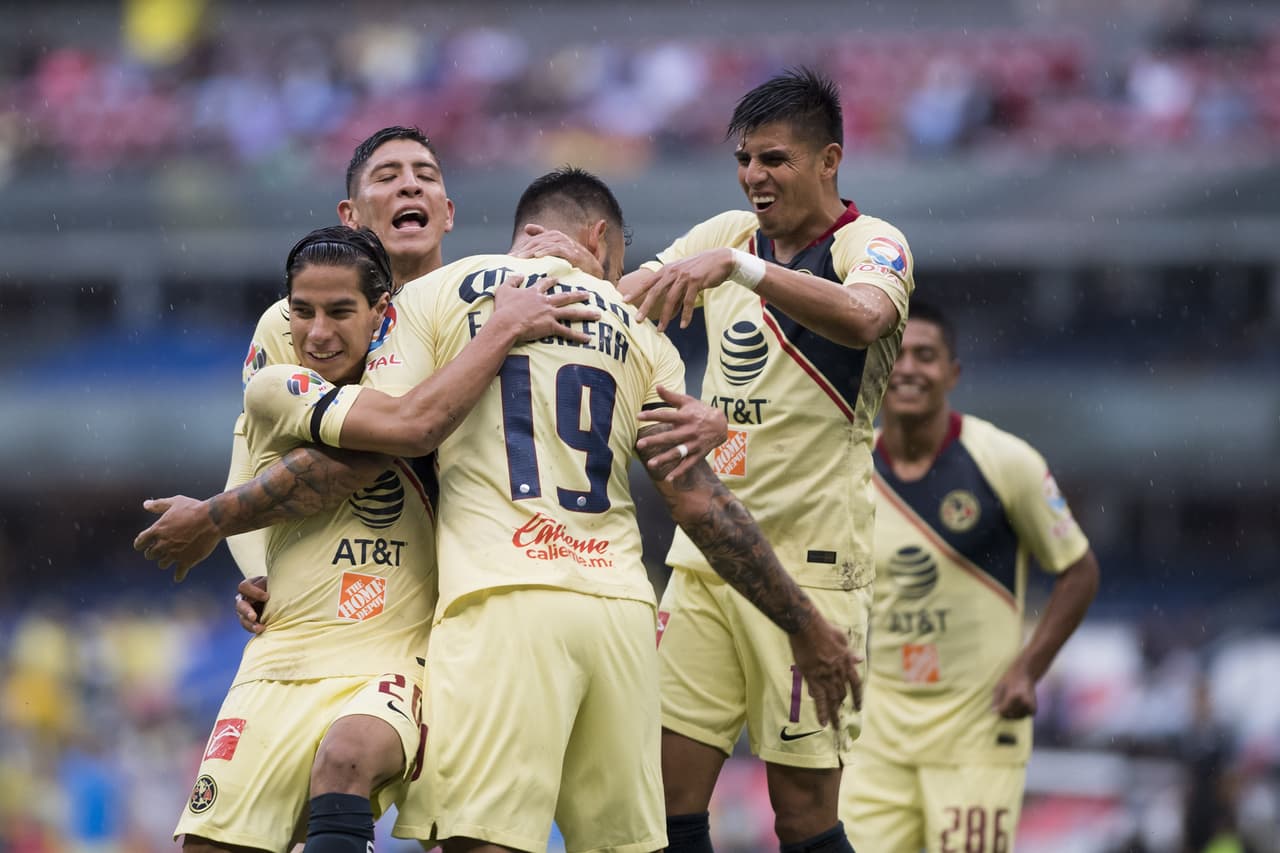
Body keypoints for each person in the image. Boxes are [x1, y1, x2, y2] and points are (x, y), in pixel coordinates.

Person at [138, 167, 861, 853]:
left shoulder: (432, 298)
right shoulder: (639, 332)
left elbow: (382, 440)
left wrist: (214, 517)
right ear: (602, 239)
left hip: (503, 600)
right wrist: (804, 622)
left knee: (480, 838)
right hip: (618, 610)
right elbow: (700, 501)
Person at [163, 225, 597, 853]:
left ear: (381, 313)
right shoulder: (276, 385)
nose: (317, 332)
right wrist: (251, 562)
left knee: (349, 759)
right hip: (283, 655)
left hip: (396, 651)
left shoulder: (440, 356)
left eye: (340, 312)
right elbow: (403, 430)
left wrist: (575, 272)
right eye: (303, 313)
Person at [619, 68, 914, 852]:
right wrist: (544, 283)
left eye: (775, 159)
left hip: (813, 567)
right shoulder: (724, 233)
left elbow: (865, 317)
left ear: (829, 160)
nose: (755, 176)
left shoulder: (870, 243)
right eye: (745, 159)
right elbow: (631, 297)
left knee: (804, 817)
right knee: (667, 795)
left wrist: (741, 269)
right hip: (709, 558)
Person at [226, 125, 621, 581]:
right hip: (341, 592)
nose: (410, 184)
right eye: (387, 176)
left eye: (426, 176)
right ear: (349, 215)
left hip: (471, 584)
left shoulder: (499, 306)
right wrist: (261, 578)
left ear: (448, 213)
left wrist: (596, 279)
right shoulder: (290, 324)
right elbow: (248, 468)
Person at [839, 301, 1100, 852]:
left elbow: (1078, 570)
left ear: (953, 373)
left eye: (927, 356)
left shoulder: (1005, 462)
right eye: (898, 354)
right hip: (875, 734)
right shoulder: (847, 466)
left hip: (977, 734)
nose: (909, 368)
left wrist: (1030, 669)